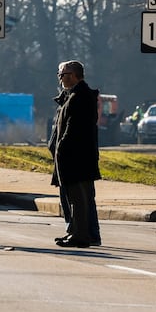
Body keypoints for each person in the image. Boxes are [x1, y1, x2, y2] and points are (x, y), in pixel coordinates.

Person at [49, 59, 102, 248]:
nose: (60, 78)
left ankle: (81, 235)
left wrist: (61, 147)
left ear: (72, 75)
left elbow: (74, 128)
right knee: (73, 198)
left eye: (62, 74)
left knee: (79, 199)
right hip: (74, 157)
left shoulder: (81, 96)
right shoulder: (72, 95)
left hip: (77, 158)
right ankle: (75, 232)